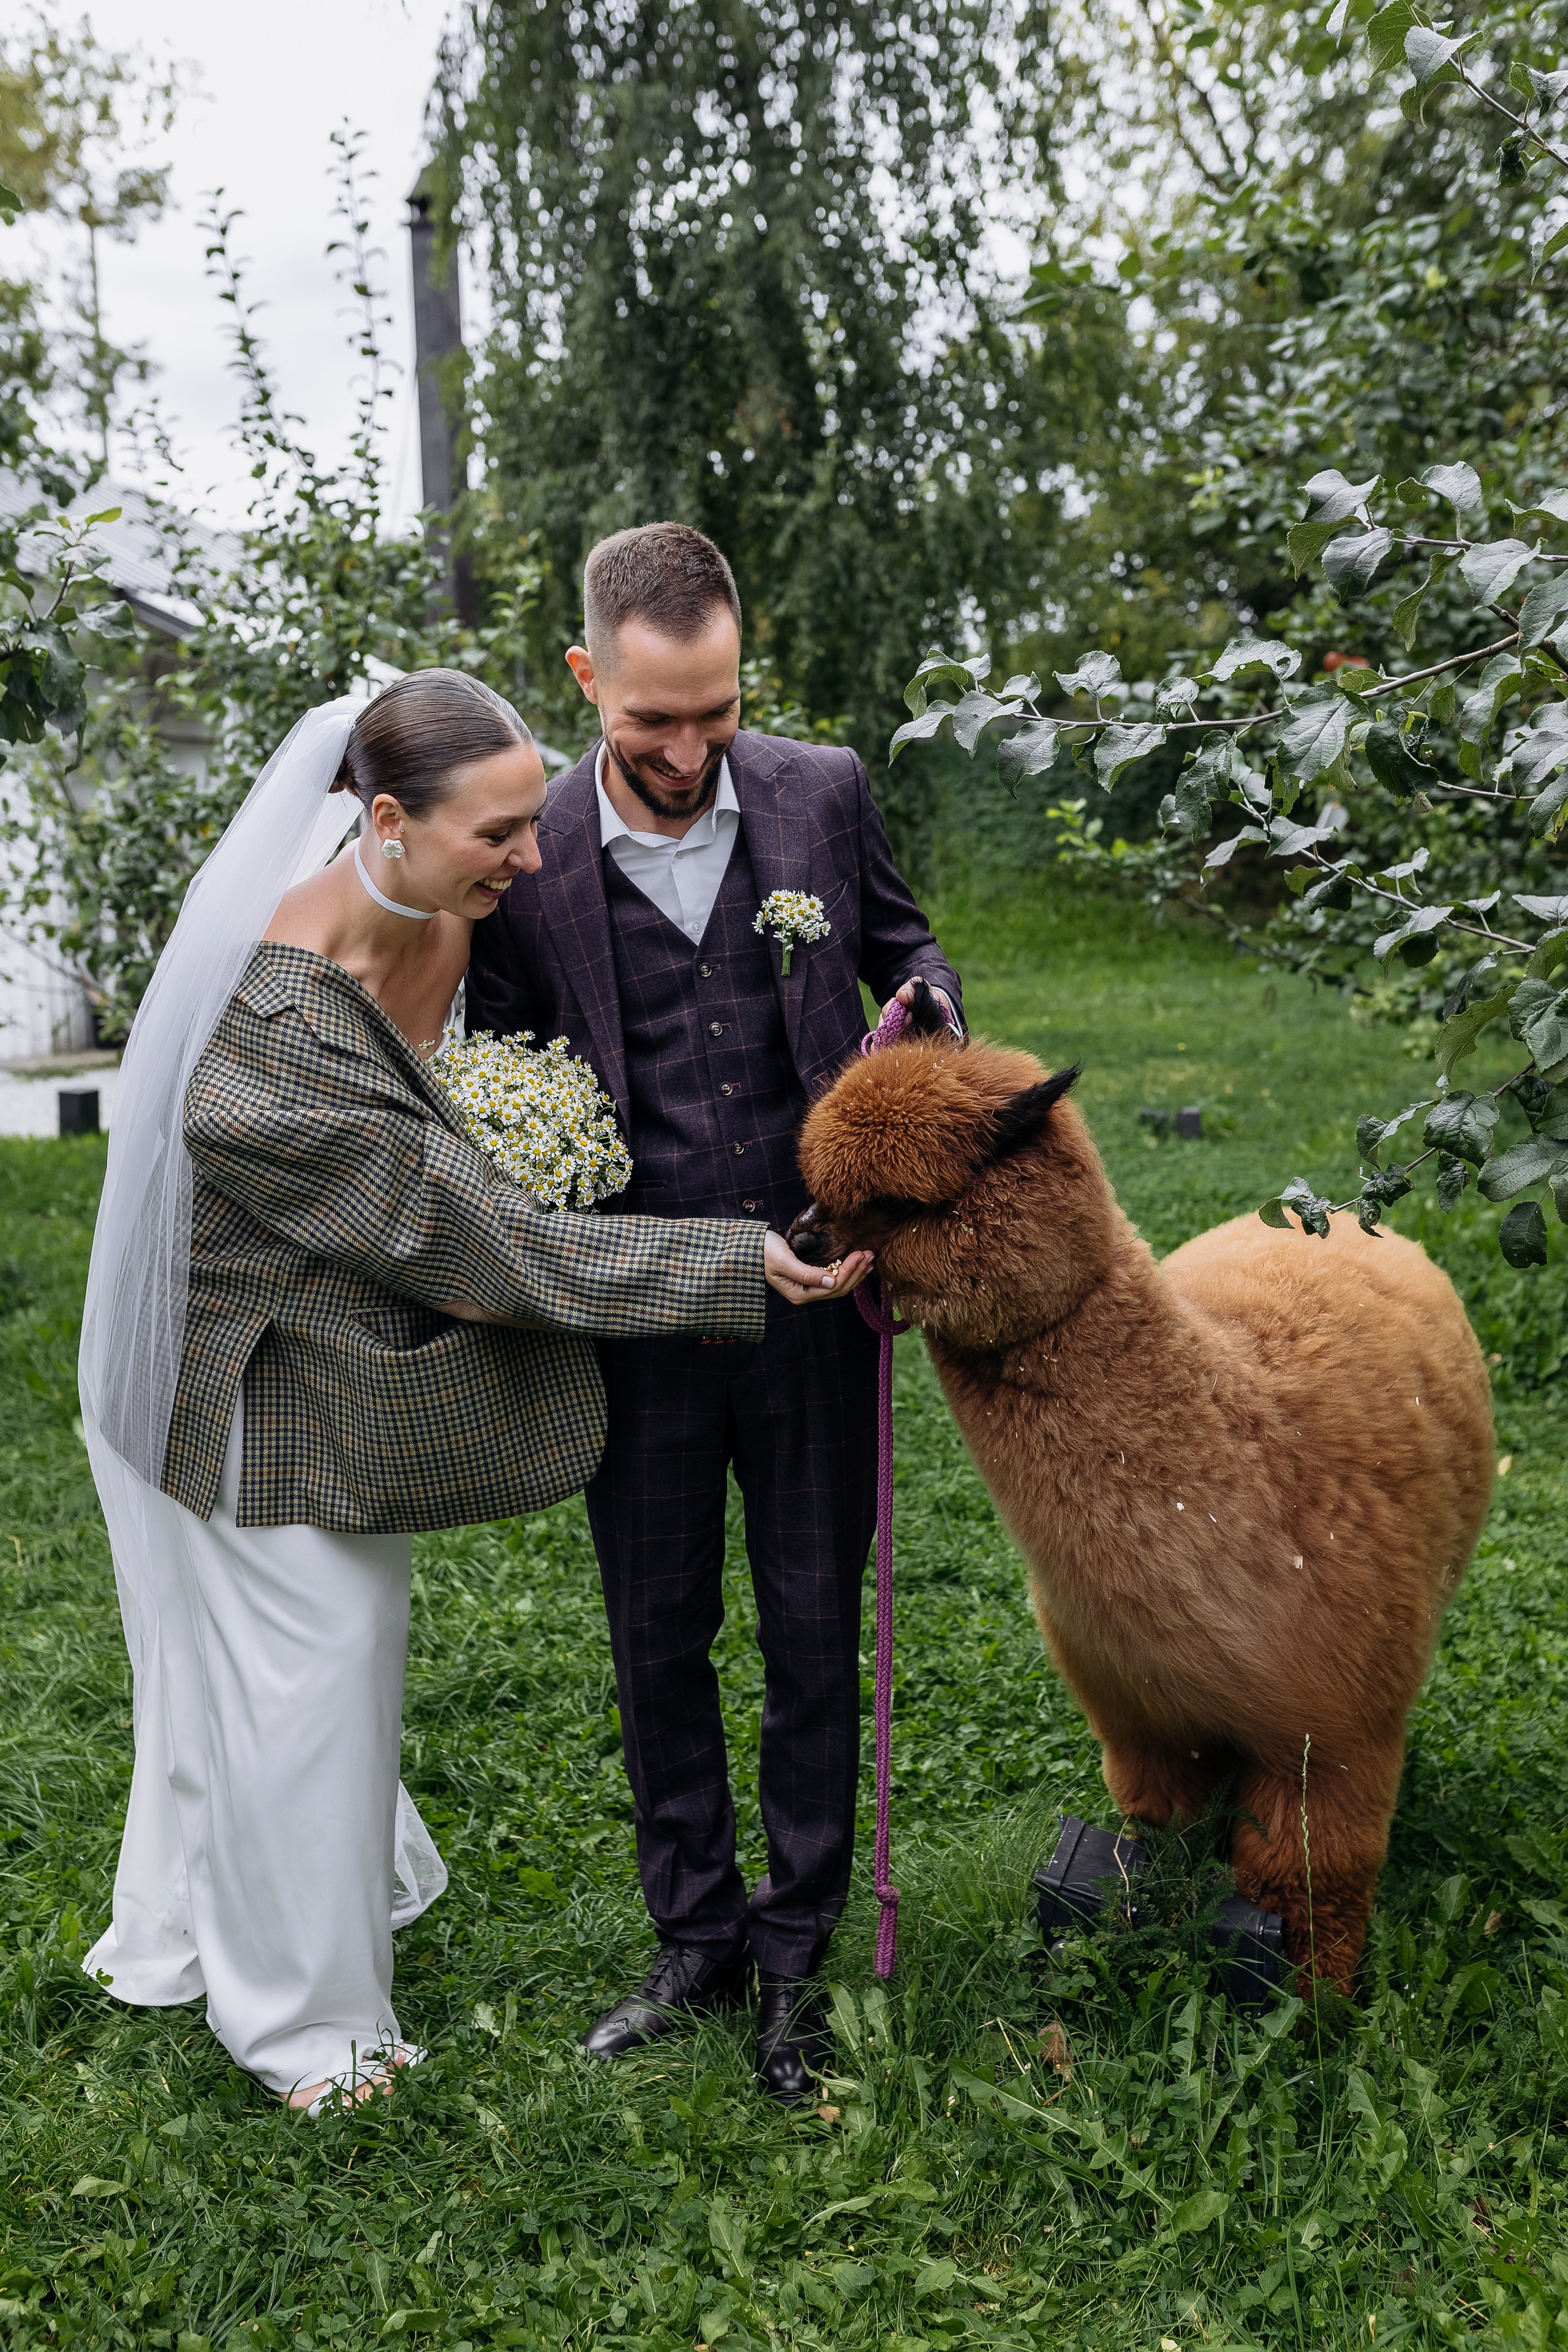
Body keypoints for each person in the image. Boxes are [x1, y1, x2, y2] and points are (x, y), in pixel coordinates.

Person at [80, 669, 867, 2116]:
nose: (535, 854)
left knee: (319, 1695)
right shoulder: (265, 1048)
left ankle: (256, 1924)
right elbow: (472, 1252)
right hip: (248, 1402)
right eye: (501, 832)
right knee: (304, 1689)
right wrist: (725, 1264)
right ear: (384, 820)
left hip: (336, 1365)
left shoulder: (410, 911)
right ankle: (307, 2037)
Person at [466, 524, 963, 2104]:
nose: (686, 753)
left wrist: (927, 1025)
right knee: (656, 1631)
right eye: (647, 722)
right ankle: (694, 1938)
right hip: (640, 1320)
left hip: (821, 1299)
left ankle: (799, 1944)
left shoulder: (822, 790)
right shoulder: (523, 855)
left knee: (815, 1625)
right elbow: (501, 1067)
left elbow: (907, 949)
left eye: (715, 714)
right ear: (584, 680)